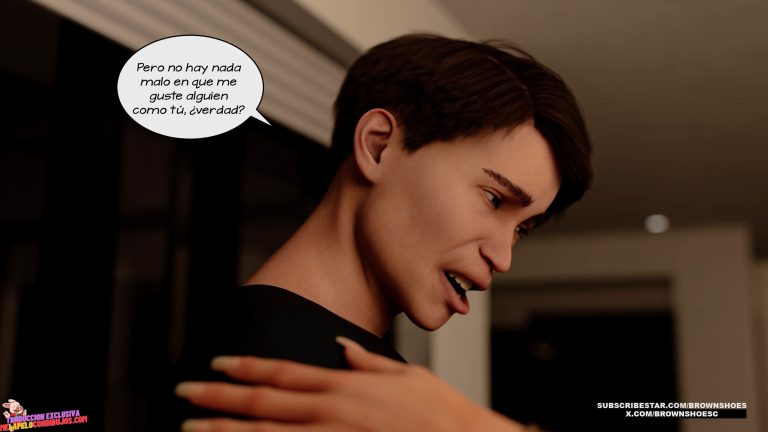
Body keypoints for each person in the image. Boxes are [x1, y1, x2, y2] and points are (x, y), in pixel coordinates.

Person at [173, 33, 592, 431]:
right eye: (494, 198)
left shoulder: (245, 338)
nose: (503, 258)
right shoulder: (298, 379)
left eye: (521, 229)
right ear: (378, 146)